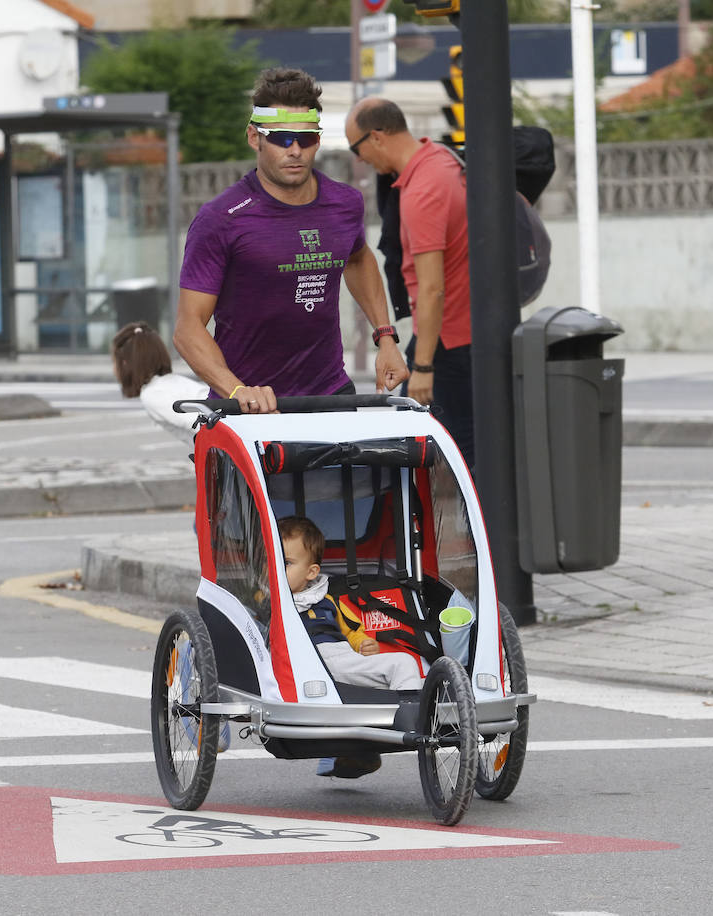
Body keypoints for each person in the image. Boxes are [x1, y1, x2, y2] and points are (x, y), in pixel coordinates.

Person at [173, 67, 408, 416]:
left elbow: (357, 259)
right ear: (255, 138)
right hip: (250, 404)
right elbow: (187, 328)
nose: (295, 150)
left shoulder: (344, 203)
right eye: (282, 138)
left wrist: (385, 337)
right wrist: (235, 390)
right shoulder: (221, 219)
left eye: (307, 139)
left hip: (330, 392)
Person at [345, 97, 475, 469]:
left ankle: (474, 529)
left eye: (358, 148)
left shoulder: (422, 192)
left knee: (450, 459)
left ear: (377, 137)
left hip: (449, 343)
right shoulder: (440, 158)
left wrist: (424, 367)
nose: (360, 159)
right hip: (459, 333)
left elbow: (433, 288)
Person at [279, 515, 422, 780]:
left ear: (311, 572)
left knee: (404, 662)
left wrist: (364, 644)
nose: (275, 569)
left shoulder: (329, 602)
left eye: (286, 563)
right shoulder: (272, 604)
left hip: (340, 657)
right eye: (272, 562)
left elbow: (353, 631)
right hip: (307, 663)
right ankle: (370, 745)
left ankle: (410, 722)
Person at [111, 321, 209, 446]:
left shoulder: (152, 394)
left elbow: (200, 426)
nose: (114, 369)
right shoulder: (175, 380)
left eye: (115, 362)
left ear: (125, 363)